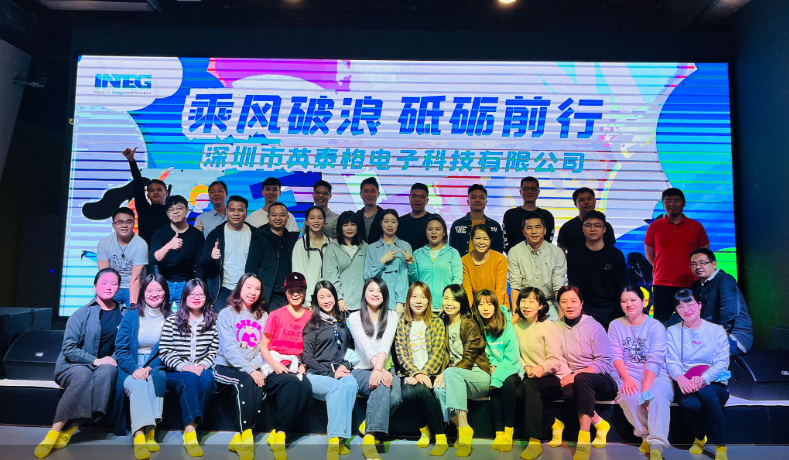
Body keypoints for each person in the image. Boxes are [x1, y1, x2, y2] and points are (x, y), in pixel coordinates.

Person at [35, 268, 125, 459]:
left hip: (105, 365)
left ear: (119, 287)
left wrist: (112, 359)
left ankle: (71, 429)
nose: (109, 287)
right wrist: (94, 360)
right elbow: (69, 349)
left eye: (114, 283)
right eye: (104, 283)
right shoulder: (81, 313)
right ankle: (54, 432)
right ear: (95, 286)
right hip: (74, 364)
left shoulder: (124, 314)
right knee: (83, 376)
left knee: (107, 372)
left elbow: (125, 345)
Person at [609, 286, 673, 460]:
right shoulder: (615, 325)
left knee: (657, 397)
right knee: (629, 397)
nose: (628, 304)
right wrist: (627, 378)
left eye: (633, 300)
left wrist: (645, 388)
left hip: (655, 374)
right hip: (628, 373)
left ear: (643, 302)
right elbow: (616, 356)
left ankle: (657, 445)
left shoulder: (655, 326)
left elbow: (655, 358)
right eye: (624, 301)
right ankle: (645, 435)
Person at [554, 286, 617, 460]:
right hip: (574, 378)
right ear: (559, 305)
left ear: (581, 303)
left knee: (582, 379)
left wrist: (574, 376)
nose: (569, 305)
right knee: (568, 392)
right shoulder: (555, 328)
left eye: (573, 301)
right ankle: (600, 424)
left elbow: (605, 363)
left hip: (602, 380)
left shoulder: (594, 326)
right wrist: (567, 375)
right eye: (564, 301)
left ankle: (583, 440)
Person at [667, 289, 731, 460]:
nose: (686, 309)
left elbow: (722, 362)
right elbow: (671, 360)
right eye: (680, 306)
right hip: (686, 381)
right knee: (691, 405)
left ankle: (720, 446)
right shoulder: (672, 331)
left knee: (707, 394)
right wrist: (679, 377)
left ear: (700, 305)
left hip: (713, 381)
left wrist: (704, 378)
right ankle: (700, 437)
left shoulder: (716, 330)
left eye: (690, 304)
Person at [112, 274, 170, 459]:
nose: (154, 294)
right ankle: (139, 436)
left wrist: (150, 367)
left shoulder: (171, 318)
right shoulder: (131, 315)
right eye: (149, 290)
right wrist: (134, 369)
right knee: (138, 384)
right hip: (130, 364)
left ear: (165, 293)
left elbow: (169, 350)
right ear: (143, 292)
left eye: (159, 290)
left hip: (154, 365)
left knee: (157, 380)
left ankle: (150, 433)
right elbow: (121, 349)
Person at [159, 279, 219, 457]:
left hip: (203, 368)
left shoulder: (214, 320)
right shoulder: (172, 320)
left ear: (206, 297)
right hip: (176, 371)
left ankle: (193, 426)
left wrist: (202, 365)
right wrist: (184, 366)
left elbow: (215, 350)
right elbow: (165, 351)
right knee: (190, 377)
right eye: (192, 294)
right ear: (184, 296)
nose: (196, 297)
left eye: (200, 294)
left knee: (207, 380)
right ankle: (191, 431)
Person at [259, 272, 314, 460]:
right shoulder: (276, 315)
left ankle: (276, 432)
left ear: (305, 292)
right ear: (286, 292)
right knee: (292, 384)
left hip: (297, 364)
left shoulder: (310, 316)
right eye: (291, 290)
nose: (296, 294)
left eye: (299, 290)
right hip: (275, 364)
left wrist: (303, 364)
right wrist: (275, 365)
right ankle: (281, 436)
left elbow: (310, 347)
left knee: (306, 387)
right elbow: (264, 346)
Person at [214, 273, 268, 460]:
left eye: (257, 289)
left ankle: (240, 436)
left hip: (250, 367)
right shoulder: (226, 314)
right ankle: (247, 436)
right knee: (246, 380)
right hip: (225, 367)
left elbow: (264, 348)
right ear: (239, 288)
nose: (253, 292)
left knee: (258, 384)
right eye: (249, 287)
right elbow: (229, 352)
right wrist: (250, 370)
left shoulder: (263, 316)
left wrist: (256, 367)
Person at [513, 287, 571, 460]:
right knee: (515, 390)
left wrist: (541, 368)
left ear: (540, 306)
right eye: (523, 301)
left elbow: (555, 360)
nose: (526, 305)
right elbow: (516, 354)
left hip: (554, 376)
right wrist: (526, 367)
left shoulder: (548, 327)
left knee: (530, 387)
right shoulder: (517, 326)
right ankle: (554, 423)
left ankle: (534, 442)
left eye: (532, 301)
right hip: (530, 374)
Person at [347, 278, 402, 460]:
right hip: (362, 369)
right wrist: (378, 370)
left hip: (385, 367)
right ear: (364, 293)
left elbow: (385, 345)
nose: (375, 294)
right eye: (371, 290)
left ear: (384, 294)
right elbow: (365, 347)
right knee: (382, 386)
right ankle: (369, 440)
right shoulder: (354, 317)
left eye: (379, 291)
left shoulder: (392, 316)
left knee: (396, 398)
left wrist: (379, 369)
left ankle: (367, 424)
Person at [433, 284, 490, 458]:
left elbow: (469, 359)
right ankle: (460, 429)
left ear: (462, 302)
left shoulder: (469, 324)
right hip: (455, 376)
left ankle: (465, 430)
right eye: (446, 298)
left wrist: (447, 372)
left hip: (478, 375)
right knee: (438, 389)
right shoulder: (442, 323)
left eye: (454, 299)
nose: (449, 303)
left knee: (450, 374)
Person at [302, 281, 357, 460]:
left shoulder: (341, 322)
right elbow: (307, 358)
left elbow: (348, 350)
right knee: (337, 387)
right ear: (316, 301)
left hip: (338, 370)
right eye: (322, 297)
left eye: (329, 296)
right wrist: (331, 373)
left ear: (335, 297)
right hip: (316, 373)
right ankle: (334, 440)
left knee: (351, 384)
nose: (326, 300)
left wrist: (346, 365)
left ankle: (341, 439)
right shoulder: (312, 324)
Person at [394, 282, 448, 456]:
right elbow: (401, 352)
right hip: (409, 373)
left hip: (430, 372)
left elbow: (438, 352)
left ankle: (441, 436)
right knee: (408, 394)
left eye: (423, 297)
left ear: (429, 300)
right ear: (408, 300)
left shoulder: (437, 322)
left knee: (423, 391)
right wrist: (415, 373)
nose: (418, 301)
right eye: (414, 296)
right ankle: (424, 431)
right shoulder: (402, 323)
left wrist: (422, 373)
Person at [665, 248, 753, 355]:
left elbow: (729, 311)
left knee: (681, 351)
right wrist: (661, 330)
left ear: (714, 264)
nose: (698, 267)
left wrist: (714, 336)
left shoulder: (725, 279)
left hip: (734, 338)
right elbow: (682, 313)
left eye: (702, 263)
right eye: (693, 264)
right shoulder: (697, 286)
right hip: (708, 337)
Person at [645, 188, 709, 323]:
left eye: (676, 201)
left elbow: (704, 254)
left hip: (691, 282)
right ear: (663, 204)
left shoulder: (696, 226)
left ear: (684, 203)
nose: (672, 204)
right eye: (668, 201)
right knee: (661, 322)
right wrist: (662, 267)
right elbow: (650, 254)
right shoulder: (654, 227)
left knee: (692, 321)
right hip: (662, 282)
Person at [475, 290, 520, 453]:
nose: (485, 308)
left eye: (489, 303)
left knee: (505, 384)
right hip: (497, 368)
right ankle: (499, 433)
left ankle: (508, 432)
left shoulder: (506, 324)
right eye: (481, 304)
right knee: (494, 388)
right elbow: (486, 353)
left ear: (495, 305)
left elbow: (512, 356)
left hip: (512, 368)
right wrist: (492, 365)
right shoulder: (480, 326)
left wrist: (498, 372)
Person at [566, 211, 628, 328]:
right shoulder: (574, 255)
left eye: (597, 225)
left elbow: (622, 285)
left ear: (604, 229)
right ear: (583, 229)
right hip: (586, 309)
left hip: (612, 309)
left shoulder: (616, 254)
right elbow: (574, 286)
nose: (593, 229)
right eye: (588, 225)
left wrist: (619, 311)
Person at [201, 195, 256, 313]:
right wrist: (211, 257)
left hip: (248, 288)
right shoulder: (215, 234)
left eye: (240, 210)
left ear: (246, 213)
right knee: (216, 318)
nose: (236, 213)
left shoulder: (255, 234)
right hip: (224, 288)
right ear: (226, 211)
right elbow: (202, 261)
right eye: (232, 210)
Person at [507, 211, 566, 320]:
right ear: (524, 232)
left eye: (538, 227)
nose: (534, 231)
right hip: (524, 302)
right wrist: (516, 314)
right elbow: (515, 286)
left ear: (544, 230)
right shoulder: (515, 252)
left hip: (548, 303)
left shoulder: (557, 253)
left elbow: (559, 287)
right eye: (529, 228)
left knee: (556, 327)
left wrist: (561, 316)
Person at [150, 195, 206, 304]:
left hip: (187, 283)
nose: (175, 212)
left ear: (187, 209)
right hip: (164, 283)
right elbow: (153, 259)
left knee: (186, 314)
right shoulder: (159, 233)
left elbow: (200, 265)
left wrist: (196, 286)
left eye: (179, 208)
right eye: (171, 209)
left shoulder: (196, 235)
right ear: (167, 213)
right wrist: (169, 246)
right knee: (162, 314)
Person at [245, 202, 299, 312]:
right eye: (274, 215)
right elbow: (251, 270)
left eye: (282, 215)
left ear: (287, 218)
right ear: (268, 217)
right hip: (268, 296)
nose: (278, 218)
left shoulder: (291, 240)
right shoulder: (260, 239)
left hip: (289, 294)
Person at [408, 215, 463, 312]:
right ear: (426, 231)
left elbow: (457, 279)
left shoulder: (452, 253)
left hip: (445, 307)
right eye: (430, 229)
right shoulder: (418, 253)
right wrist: (411, 265)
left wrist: (448, 301)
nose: (434, 232)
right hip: (422, 306)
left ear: (444, 232)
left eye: (438, 229)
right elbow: (414, 281)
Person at [364, 209, 412, 315]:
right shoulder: (372, 248)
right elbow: (368, 276)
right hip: (376, 302)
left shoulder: (405, 246)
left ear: (398, 224)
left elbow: (405, 277)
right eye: (386, 221)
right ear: (381, 223)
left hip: (398, 303)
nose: (390, 225)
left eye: (393, 222)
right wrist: (382, 261)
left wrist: (400, 301)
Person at [97, 207, 148, 307]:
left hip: (133, 287)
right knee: (100, 311)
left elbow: (136, 279)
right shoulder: (104, 243)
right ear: (113, 225)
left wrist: (133, 307)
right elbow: (104, 274)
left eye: (128, 222)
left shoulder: (141, 245)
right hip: (112, 285)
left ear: (134, 224)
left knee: (134, 314)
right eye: (120, 222)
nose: (124, 225)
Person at [121, 147, 170, 246]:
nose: (155, 192)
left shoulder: (172, 212)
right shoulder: (144, 209)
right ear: (148, 195)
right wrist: (131, 160)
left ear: (167, 193)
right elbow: (138, 182)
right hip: (145, 252)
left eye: (159, 190)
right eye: (151, 190)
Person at [323, 211, 368, 312]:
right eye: (345, 225)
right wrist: (339, 298)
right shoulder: (332, 247)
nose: (349, 228)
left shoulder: (365, 247)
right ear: (340, 227)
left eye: (353, 224)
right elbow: (330, 275)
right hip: (340, 304)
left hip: (362, 305)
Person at [448, 184, 504, 257]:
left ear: (486, 202)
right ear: (468, 202)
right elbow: (451, 250)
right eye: (474, 197)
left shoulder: (495, 226)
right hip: (462, 264)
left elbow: (499, 252)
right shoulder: (457, 225)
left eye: (481, 197)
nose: (477, 200)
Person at [292, 205, 332, 306]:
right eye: (312, 218)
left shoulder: (331, 243)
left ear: (324, 221)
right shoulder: (300, 245)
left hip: (329, 298)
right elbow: (298, 273)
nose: (316, 221)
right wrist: (306, 300)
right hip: (309, 299)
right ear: (306, 221)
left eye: (320, 218)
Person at [503, 176, 555, 253]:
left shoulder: (547, 216)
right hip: (515, 258)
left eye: (533, 189)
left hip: (541, 258)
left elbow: (548, 242)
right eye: (526, 189)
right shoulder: (510, 215)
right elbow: (506, 241)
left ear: (538, 192)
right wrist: (513, 257)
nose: (529, 192)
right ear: (520, 191)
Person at [557, 187, 616, 255]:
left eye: (589, 199)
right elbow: (561, 251)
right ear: (575, 204)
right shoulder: (568, 227)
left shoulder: (605, 226)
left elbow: (611, 249)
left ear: (595, 201)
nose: (586, 202)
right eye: (581, 200)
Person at [461, 224, 509, 307]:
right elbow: (467, 291)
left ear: (490, 240)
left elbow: (500, 290)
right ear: (471, 239)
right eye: (477, 238)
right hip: (476, 306)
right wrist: (471, 310)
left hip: (498, 305)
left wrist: (495, 310)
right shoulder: (464, 260)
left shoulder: (500, 259)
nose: (481, 242)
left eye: (485, 239)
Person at [397, 183, 434, 251]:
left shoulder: (433, 221)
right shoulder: (400, 221)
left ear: (427, 200)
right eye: (414, 196)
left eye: (421, 197)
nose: (417, 199)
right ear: (409, 198)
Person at [355, 177, 388, 244]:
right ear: (361, 194)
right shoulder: (356, 216)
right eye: (366, 191)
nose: (369, 194)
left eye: (372, 191)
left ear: (378, 194)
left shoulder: (385, 216)